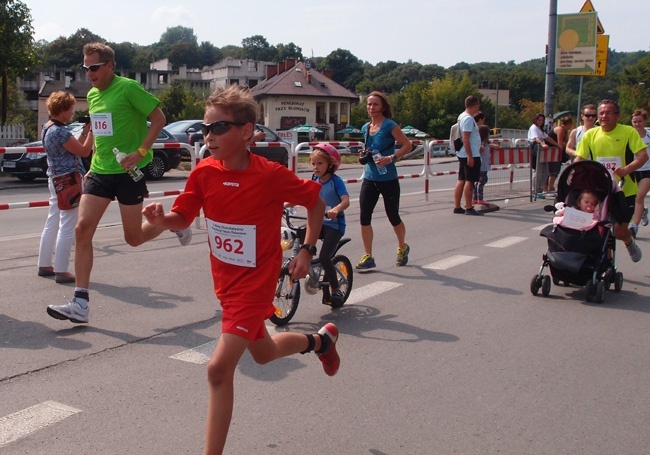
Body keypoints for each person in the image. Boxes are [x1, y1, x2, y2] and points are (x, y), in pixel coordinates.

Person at [140, 85, 336, 455]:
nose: (207, 137)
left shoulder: (270, 175)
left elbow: (315, 203)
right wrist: (163, 218)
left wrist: (307, 251)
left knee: (217, 370)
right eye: (204, 128)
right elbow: (184, 217)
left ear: (246, 132)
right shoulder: (203, 173)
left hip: (256, 284)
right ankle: (321, 341)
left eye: (218, 128)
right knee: (262, 353)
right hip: (225, 285)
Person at [46, 42, 192, 324]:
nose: (90, 72)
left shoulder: (128, 88)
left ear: (110, 65)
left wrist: (140, 153)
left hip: (128, 171)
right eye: (86, 67)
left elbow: (159, 118)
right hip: (101, 171)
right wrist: (90, 170)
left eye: (94, 67)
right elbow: (103, 135)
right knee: (82, 229)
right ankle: (80, 302)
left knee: (133, 238)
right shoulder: (91, 95)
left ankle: (173, 223)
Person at [575, 99, 648, 263]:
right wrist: (573, 175)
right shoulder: (590, 135)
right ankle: (605, 263)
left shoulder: (628, 132)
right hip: (599, 189)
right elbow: (579, 159)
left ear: (618, 116)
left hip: (624, 189)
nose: (603, 116)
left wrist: (626, 170)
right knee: (601, 227)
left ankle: (629, 242)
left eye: (608, 112)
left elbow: (643, 157)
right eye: (601, 113)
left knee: (620, 231)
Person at [37, 91, 94, 284]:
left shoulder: (48, 128)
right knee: (67, 225)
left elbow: (73, 145)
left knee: (52, 221)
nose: (71, 113)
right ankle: (62, 269)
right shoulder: (60, 132)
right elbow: (85, 151)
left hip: (55, 179)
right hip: (68, 181)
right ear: (62, 110)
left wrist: (85, 132)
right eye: (70, 109)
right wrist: (93, 133)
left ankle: (44, 264)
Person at [356, 91, 411, 269]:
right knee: (364, 217)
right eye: (369, 104)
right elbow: (369, 149)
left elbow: (407, 145)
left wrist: (391, 158)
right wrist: (363, 155)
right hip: (370, 177)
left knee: (393, 216)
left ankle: (402, 246)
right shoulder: (365, 127)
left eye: (375, 104)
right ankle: (368, 256)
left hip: (388, 178)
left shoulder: (390, 125)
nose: (372, 107)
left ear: (383, 107)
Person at [308, 144, 350, 305]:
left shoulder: (336, 181)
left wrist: (336, 209)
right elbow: (304, 196)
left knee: (325, 257)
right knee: (298, 238)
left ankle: (336, 288)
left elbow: (346, 200)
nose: (316, 167)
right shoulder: (314, 179)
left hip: (334, 226)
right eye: (313, 163)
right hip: (319, 223)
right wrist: (284, 204)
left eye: (320, 163)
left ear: (330, 165)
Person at [453, 95, 484, 215]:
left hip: (463, 153)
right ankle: (469, 206)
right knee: (469, 180)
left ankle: (457, 206)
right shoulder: (468, 119)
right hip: (469, 154)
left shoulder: (462, 116)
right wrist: (470, 156)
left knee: (461, 178)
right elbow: (466, 138)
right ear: (474, 105)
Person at [528, 113, 559, 198]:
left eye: (542, 120)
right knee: (537, 171)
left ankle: (539, 190)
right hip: (536, 150)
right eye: (539, 120)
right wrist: (542, 144)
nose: (541, 122)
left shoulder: (540, 129)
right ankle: (534, 191)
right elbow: (536, 138)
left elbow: (547, 138)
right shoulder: (534, 127)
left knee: (545, 172)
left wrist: (557, 144)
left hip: (543, 152)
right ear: (535, 120)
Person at [629, 109, 650, 237]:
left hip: (647, 170)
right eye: (634, 122)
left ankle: (634, 227)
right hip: (631, 170)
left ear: (645, 121)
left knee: (639, 197)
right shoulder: (629, 135)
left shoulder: (648, 135)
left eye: (639, 121)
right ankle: (642, 211)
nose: (637, 124)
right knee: (631, 199)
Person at [546, 116, 573, 195]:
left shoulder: (565, 130)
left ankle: (550, 187)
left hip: (554, 152)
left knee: (555, 170)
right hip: (552, 153)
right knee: (553, 170)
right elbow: (560, 143)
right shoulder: (560, 129)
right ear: (569, 124)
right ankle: (550, 188)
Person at [473, 123, 493, 205]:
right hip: (483, 165)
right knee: (482, 181)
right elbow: (480, 150)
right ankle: (480, 198)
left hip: (481, 165)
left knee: (477, 182)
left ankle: (475, 198)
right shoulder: (483, 143)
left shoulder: (483, 142)